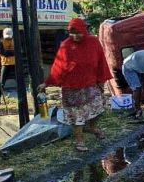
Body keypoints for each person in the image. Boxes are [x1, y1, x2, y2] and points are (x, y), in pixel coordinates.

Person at [39, 18, 112, 152]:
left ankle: (91, 127)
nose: (75, 36)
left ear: (84, 30)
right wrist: (47, 83)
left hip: (90, 85)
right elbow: (58, 67)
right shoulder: (66, 45)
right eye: (72, 33)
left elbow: (101, 61)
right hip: (71, 88)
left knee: (97, 109)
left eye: (78, 32)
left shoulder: (94, 42)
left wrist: (101, 80)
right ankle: (79, 141)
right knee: (76, 116)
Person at [0, 28, 15, 104]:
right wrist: (10, 53)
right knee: (2, 82)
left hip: (14, 63)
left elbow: (16, 51)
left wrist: (8, 52)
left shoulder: (14, 40)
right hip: (5, 64)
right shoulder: (1, 41)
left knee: (20, 80)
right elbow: (1, 53)